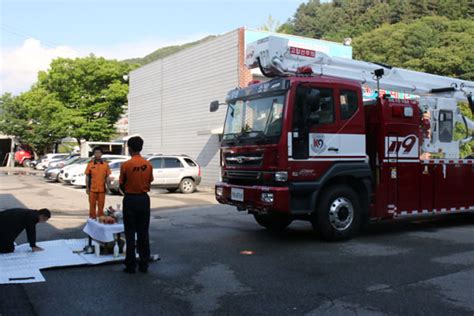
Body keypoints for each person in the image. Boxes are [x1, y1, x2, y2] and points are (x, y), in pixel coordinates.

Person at [119, 136, 154, 274]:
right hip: (144, 199)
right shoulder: (148, 164)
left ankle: (131, 265)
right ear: (141, 147)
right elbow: (150, 181)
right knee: (143, 232)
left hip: (130, 199)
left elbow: (121, 183)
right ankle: (144, 264)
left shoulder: (126, 165)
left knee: (130, 233)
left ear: (130, 148)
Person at [85, 147, 111, 219]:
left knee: (101, 207)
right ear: (94, 154)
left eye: (99, 153)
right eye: (96, 153)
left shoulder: (105, 165)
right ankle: (92, 221)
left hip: (102, 190)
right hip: (92, 189)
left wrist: (108, 187)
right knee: (92, 207)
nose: (97, 154)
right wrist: (87, 188)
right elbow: (87, 177)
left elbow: (107, 177)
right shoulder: (90, 164)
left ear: (102, 154)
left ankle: (100, 220)